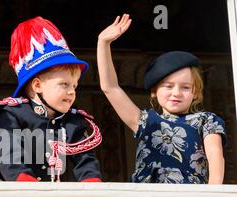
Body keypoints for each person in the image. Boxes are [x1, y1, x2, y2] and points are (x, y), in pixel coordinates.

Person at [97, 14, 226, 184]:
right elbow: (111, 88)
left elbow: (216, 157)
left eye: (185, 87)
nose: (176, 93)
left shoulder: (206, 120)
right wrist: (103, 43)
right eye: (168, 86)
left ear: (196, 92)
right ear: (154, 91)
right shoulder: (146, 121)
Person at [0, 16, 102, 182]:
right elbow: (8, 156)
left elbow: (86, 163)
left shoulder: (74, 122)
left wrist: (92, 183)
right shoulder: (13, 115)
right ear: (37, 86)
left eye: (74, 86)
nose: (72, 92)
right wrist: (26, 183)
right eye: (64, 84)